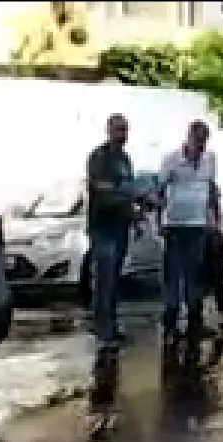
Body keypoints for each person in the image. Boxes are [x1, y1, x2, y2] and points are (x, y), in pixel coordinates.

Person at [158, 120, 221, 344]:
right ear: (189, 137)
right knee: (174, 276)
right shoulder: (171, 160)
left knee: (195, 275)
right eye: (198, 141)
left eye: (204, 141)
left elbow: (212, 190)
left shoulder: (209, 160)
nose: (201, 146)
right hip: (175, 224)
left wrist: (214, 220)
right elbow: (160, 191)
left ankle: (195, 322)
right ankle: (170, 326)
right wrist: (160, 223)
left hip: (198, 225)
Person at [86, 113, 135, 348]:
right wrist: (125, 196)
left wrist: (134, 211)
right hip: (103, 227)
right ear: (108, 131)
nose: (122, 135)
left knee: (114, 279)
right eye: (118, 130)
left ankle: (112, 326)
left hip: (121, 227)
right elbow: (101, 189)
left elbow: (127, 189)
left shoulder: (125, 159)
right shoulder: (100, 157)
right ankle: (102, 328)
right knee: (104, 279)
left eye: (124, 130)